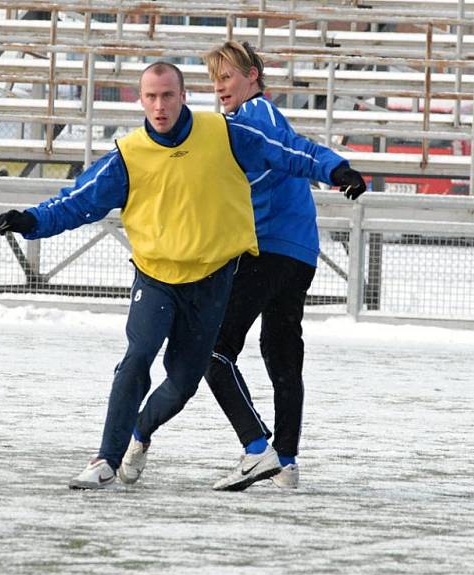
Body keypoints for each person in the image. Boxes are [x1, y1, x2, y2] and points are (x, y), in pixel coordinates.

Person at [0, 61, 364, 491]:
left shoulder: (225, 135)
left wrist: (336, 170)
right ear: (140, 100)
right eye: (150, 96)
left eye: (167, 95)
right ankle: (105, 459)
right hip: (155, 278)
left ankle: (141, 438)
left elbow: (288, 150)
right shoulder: (129, 155)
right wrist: (30, 220)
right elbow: (77, 202)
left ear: (183, 95)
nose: (159, 105)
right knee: (138, 354)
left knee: (184, 383)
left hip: (211, 281)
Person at [121, 42, 366, 492]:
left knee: (213, 351)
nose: (219, 86)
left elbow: (295, 148)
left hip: (264, 251)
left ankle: (258, 449)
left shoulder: (253, 116)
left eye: (228, 76)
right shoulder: (238, 123)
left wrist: (336, 168)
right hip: (296, 253)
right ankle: (286, 464)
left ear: (253, 76)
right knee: (282, 357)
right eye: (214, 79)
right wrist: (338, 169)